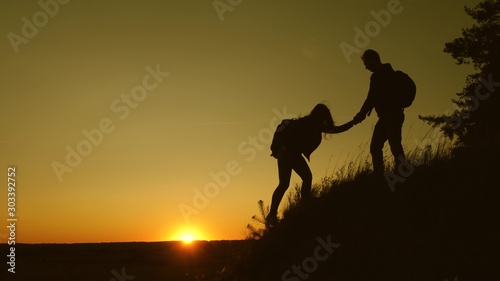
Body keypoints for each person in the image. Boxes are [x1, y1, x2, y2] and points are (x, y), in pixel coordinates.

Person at [266, 103, 353, 226]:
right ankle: (272, 215)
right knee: (285, 183)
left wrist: (354, 122)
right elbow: (293, 139)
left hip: (293, 154)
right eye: (323, 116)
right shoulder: (307, 123)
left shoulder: (314, 125)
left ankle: (303, 206)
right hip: (286, 153)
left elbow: (335, 129)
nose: (324, 119)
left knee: (306, 178)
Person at [353, 49, 406, 176]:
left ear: (374, 59)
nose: (366, 67)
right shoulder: (388, 72)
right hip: (389, 115)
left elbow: (371, 98)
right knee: (380, 146)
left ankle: (400, 173)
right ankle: (384, 174)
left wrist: (361, 114)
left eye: (366, 63)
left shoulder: (379, 75)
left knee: (393, 146)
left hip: (391, 115)